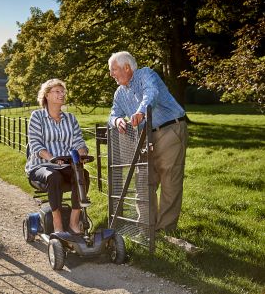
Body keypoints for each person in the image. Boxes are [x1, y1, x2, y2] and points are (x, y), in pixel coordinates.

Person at [108, 51, 188, 232]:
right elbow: (113, 114)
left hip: (169, 130)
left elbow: (151, 92)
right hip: (144, 136)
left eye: (114, 69)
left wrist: (141, 111)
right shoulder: (119, 92)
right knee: (143, 180)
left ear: (127, 68)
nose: (111, 74)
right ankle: (146, 228)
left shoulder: (145, 74)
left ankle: (165, 229)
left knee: (170, 181)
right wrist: (117, 121)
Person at [25, 78, 89, 234]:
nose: (62, 94)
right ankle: (57, 223)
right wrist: (52, 158)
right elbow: (35, 144)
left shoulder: (70, 119)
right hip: (41, 166)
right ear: (46, 95)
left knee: (83, 175)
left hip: (66, 165)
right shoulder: (37, 117)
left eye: (63, 91)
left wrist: (82, 155)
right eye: (57, 91)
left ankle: (74, 222)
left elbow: (79, 143)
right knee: (54, 176)